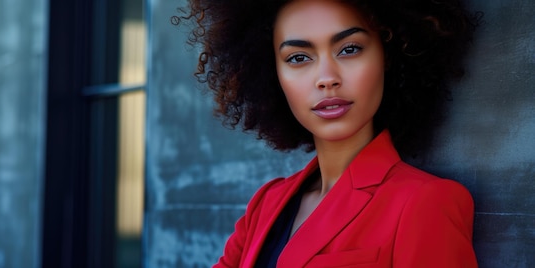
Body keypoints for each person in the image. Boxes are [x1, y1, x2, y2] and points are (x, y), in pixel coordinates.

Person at [174, 0, 480, 266]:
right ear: (272, 73)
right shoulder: (267, 203)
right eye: (298, 57)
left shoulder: (424, 202)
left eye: (349, 49)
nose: (326, 79)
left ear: (387, 56)